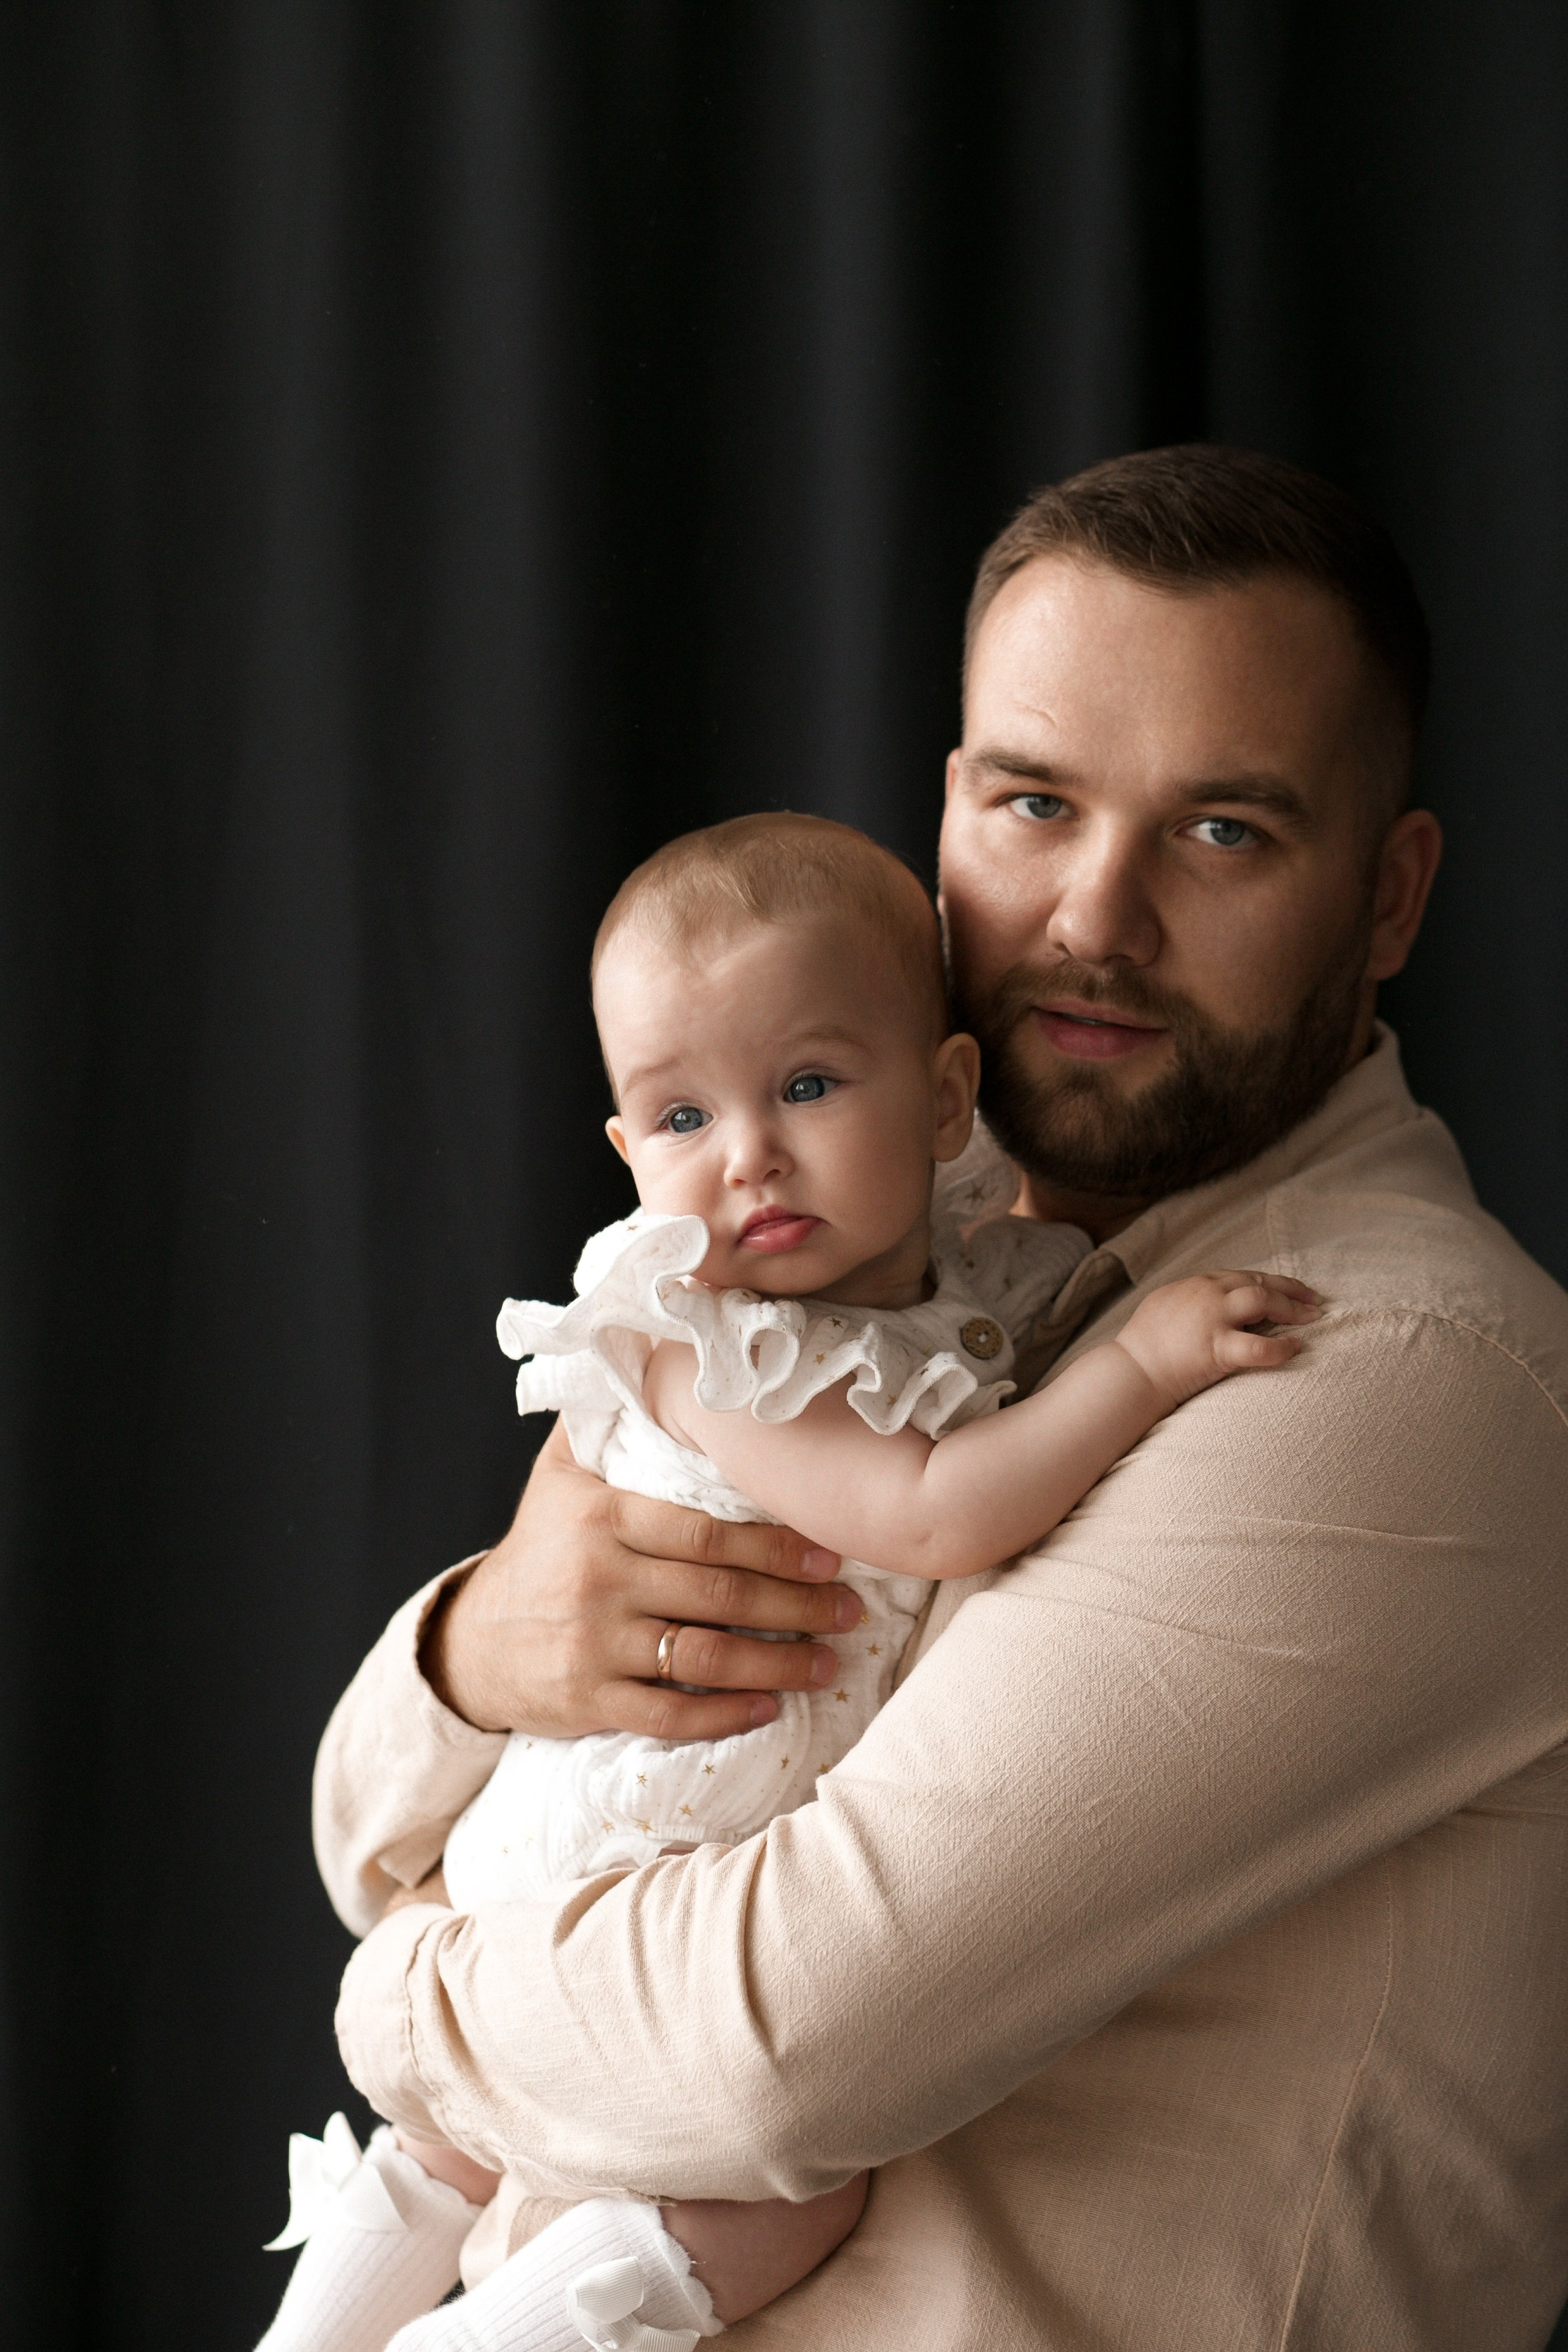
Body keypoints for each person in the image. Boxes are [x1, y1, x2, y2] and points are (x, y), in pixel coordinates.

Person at [317, 447, 1568, 2350]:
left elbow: (781, 2049)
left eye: (1224, 832)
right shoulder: (885, 1272)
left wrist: (398, 1999)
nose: (1095, 914)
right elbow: (367, 1806)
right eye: (1033, 802)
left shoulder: (1388, 1371)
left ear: (1390, 898)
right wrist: (487, 1647)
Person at [258, 811, 1315, 2352]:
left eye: (809, 1087)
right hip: (633, 1842)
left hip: (662, 1831)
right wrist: (1142, 1367)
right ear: (626, 1158)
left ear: (948, 1095)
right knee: (785, 2201)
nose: (749, 1156)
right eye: (680, 1119)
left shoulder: (947, 1280)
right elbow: (937, 1512)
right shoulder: (716, 1339)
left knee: (457, 2145)